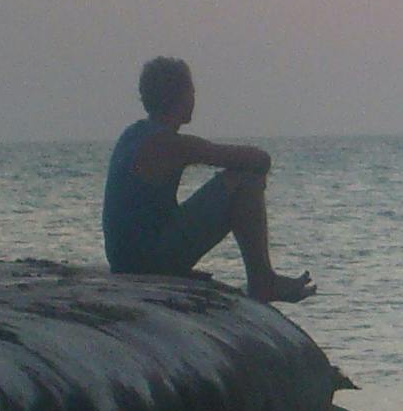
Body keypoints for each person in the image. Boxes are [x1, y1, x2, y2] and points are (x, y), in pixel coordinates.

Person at [101, 56, 314, 303]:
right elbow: (258, 160)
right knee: (245, 182)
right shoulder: (170, 144)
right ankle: (262, 280)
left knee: (240, 178)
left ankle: (261, 279)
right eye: (191, 90)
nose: (194, 98)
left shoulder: (133, 134)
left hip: (124, 258)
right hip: (145, 260)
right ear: (179, 95)